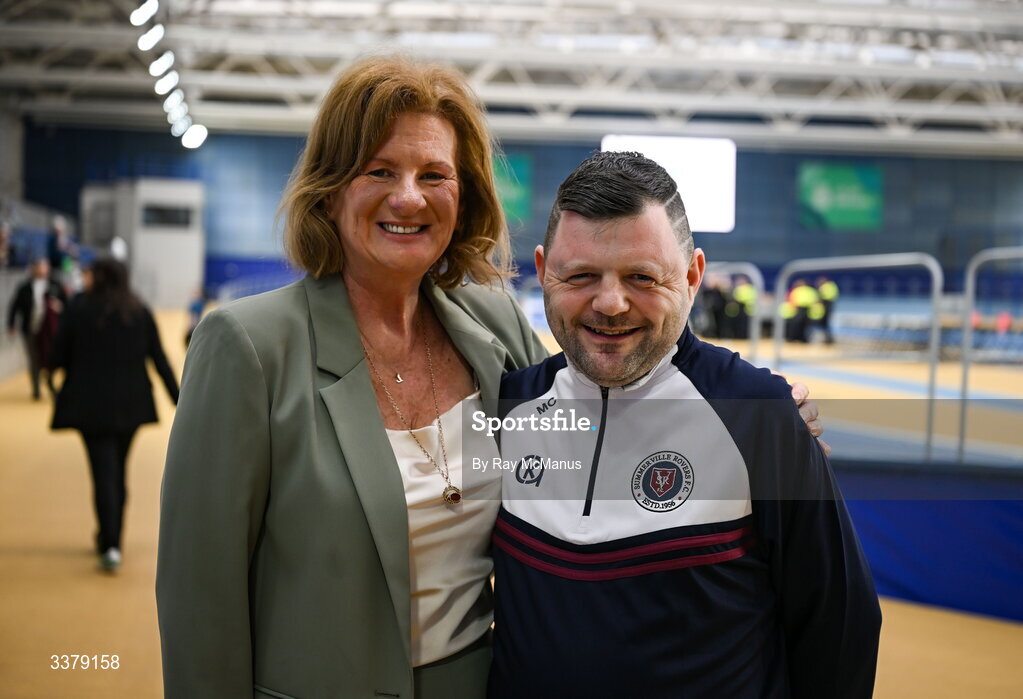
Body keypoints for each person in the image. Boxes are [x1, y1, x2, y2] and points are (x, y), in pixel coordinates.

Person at [156, 57, 828, 699]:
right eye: (379, 169)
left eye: (434, 174)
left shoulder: (492, 327)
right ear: (330, 190)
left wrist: (754, 410)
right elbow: (199, 598)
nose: (408, 196)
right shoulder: (247, 347)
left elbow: (605, 386)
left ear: (464, 194)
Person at [488, 152, 881, 698]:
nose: (610, 302)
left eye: (641, 277)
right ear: (543, 271)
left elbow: (840, 625)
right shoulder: (510, 405)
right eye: (580, 275)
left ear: (693, 276)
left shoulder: (758, 416)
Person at [49, 258, 179, 572]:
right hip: (131, 407)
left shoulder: (78, 310)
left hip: (89, 407)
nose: (86, 278)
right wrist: (180, 400)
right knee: (118, 471)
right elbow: (159, 360)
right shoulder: (138, 311)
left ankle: (110, 542)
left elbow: (56, 356)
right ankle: (111, 538)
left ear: (100, 277)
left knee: (102, 473)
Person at [6, 258, 66, 399]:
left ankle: (50, 383)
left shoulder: (55, 286)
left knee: (50, 357)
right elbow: (15, 306)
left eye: (43, 266)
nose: (41, 269)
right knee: (33, 359)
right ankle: (36, 388)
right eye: (38, 267)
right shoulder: (25, 287)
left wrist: (59, 308)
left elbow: (67, 306)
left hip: (51, 330)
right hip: (31, 328)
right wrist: (11, 325)